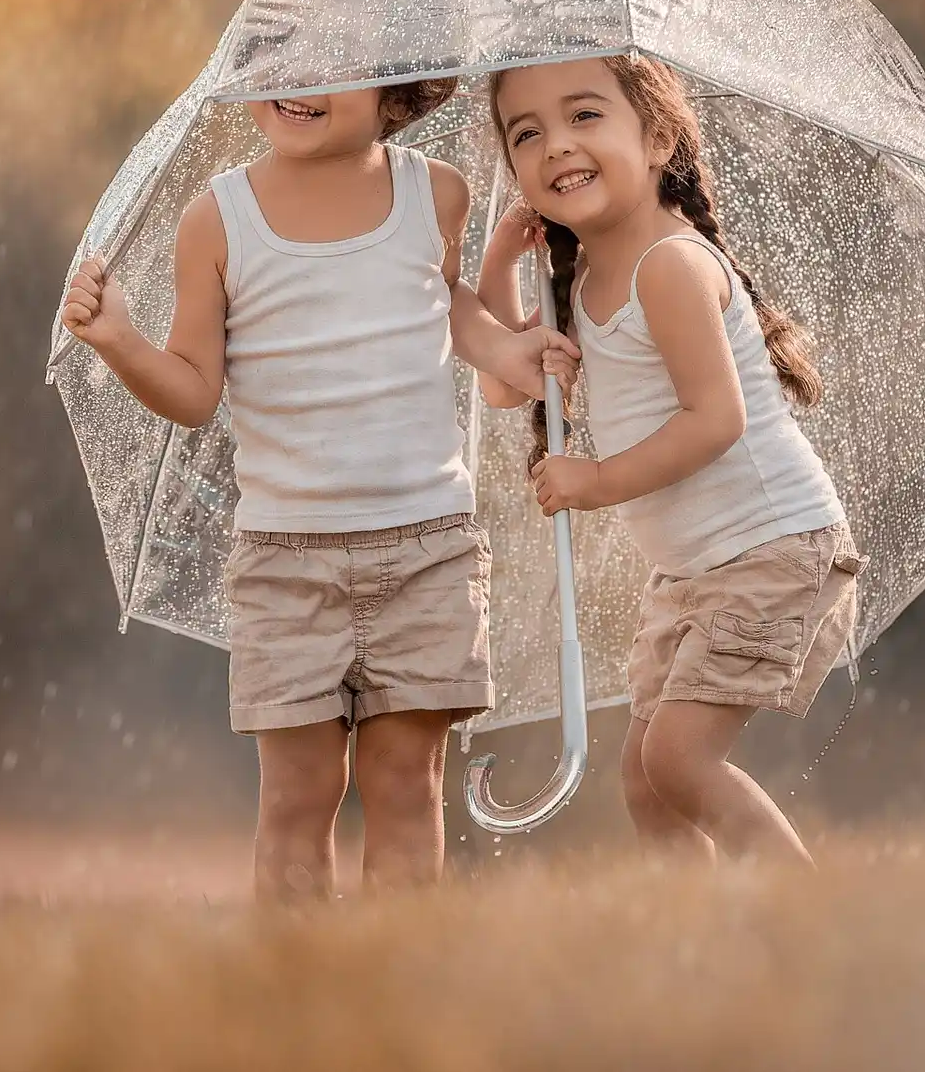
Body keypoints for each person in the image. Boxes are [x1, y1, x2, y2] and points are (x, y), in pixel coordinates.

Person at [62, 78, 576, 899]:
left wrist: (507, 353)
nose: (296, 83)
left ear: (394, 90)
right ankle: (297, 980)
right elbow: (195, 390)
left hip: (426, 545)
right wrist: (121, 341)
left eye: (332, 64)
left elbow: (448, 306)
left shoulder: (435, 192)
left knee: (406, 780)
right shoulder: (219, 220)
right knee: (300, 790)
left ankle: (395, 975)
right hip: (284, 558)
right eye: (279, 61)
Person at [476, 53, 865, 867]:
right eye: (527, 131)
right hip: (694, 570)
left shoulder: (670, 266)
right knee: (647, 783)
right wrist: (500, 269)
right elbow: (508, 389)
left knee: (678, 760)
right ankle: (696, 948)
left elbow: (716, 420)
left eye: (585, 116)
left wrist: (596, 481)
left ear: (656, 138)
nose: (555, 145)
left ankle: (816, 918)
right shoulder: (579, 280)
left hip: (768, 549)